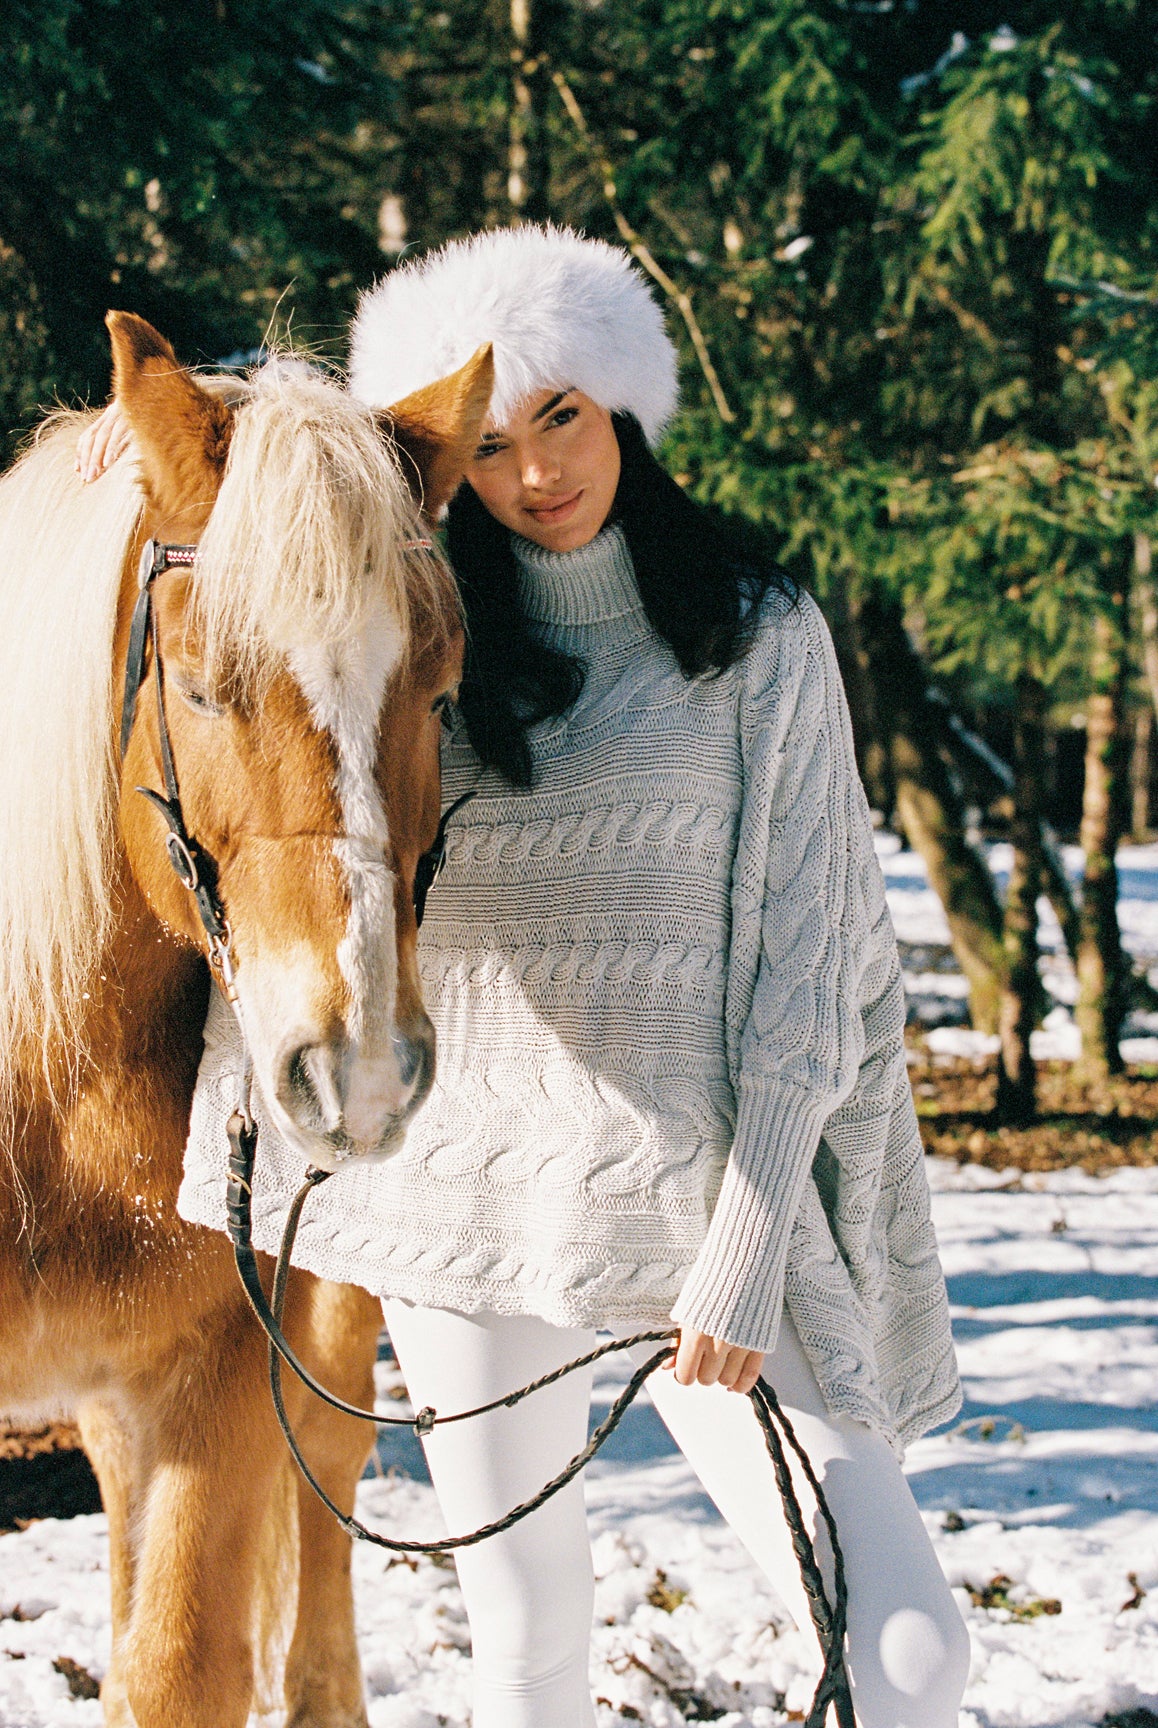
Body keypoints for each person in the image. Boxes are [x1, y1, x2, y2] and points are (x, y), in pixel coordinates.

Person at [78, 224, 970, 1728]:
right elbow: (314, 861)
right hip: (472, 1206)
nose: (534, 471)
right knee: (528, 1645)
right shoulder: (422, 645)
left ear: (624, 408)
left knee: (906, 1648)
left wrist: (750, 1244)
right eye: (487, 445)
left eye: (560, 416)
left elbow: (810, 981)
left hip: (703, 1237)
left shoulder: (757, 641)